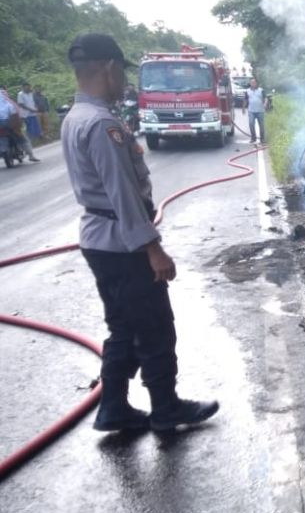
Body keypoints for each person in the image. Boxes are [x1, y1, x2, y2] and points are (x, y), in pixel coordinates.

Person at [61, 33, 219, 432]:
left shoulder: (75, 117)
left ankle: (113, 407)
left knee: (123, 327)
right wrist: (153, 249)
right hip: (123, 246)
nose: (125, 83)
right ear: (109, 68)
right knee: (154, 328)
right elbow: (123, 194)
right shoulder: (102, 124)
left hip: (99, 241)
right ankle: (166, 408)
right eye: (122, 73)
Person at [0, 86, 41, 162]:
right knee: (23, 139)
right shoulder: (9, 103)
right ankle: (31, 156)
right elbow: (16, 114)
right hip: (11, 125)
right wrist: (18, 125)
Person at [241, 78, 267, 144]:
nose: (253, 84)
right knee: (251, 124)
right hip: (251, 111)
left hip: (260, 111)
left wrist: (265, 103)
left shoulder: (261, 90)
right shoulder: (247, 91)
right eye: (251, 83)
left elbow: (265, 98)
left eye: (254, 82)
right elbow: (245, 100)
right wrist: (243, 108)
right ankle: (253, 138)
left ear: (256, 83)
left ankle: (262, 139)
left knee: (261, 125)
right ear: (250, 83)